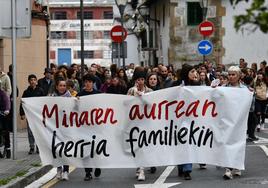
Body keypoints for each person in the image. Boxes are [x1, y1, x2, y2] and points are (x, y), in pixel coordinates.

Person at [127, 71, 153, 181]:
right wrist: (134, 97)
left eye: (142, 79)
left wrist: (145, 98)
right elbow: (125, 104)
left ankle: (142, 168)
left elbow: (153, 105)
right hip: (134, 121)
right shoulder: (131, 90)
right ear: (135, 80)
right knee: (137, 146)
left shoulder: (150, 91)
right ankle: (139, 167)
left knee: (144, 145)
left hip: (146, 122)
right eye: (138, 80)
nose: (140, 82)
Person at [76, 74, 102, 181]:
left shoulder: (98, 94)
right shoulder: (80, 95)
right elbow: (74, 111)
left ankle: (98, 165)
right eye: (86, 82)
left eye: (90, 82)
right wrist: (76, 102)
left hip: (96, 127)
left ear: (93, 83)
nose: (88, 84)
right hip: (84, 127)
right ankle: (88, 172)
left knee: (96, 149)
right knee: (85, 149)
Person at [177, 64, 201, 180]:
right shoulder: (176, 84)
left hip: (191, 119)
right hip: (178, 119)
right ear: (186, 73)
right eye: (192, 71)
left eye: (195, 71)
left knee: (188, 143)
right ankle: (181, 165)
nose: (194, 73)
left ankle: (187, 169)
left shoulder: (196, 84)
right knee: (180, 143)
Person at [223, 66, 246, 180]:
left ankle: (237, 166)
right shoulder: (222, 88)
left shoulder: (245, 89)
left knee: (238, 143)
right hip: (226, 122)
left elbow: (249, 108)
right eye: (229, 74)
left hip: (239, 122)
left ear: (239, 76)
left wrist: (250, 95)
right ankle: (228, 169)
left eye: (233, 74)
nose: (231, 77)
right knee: (227, 144)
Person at [51, 77, 71, 180]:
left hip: (66, 128)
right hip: (55, 127)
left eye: (64, 85)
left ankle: (66, 171)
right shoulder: (52, 97)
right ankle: (59, 169)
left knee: (66, 149)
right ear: (57, 86)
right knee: (57, 149)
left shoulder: (70, 97)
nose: (62, 87)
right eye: (60, 85)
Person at [20, 74, 45, 154]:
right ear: (29, 81)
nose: (33, 81)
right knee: (30, 131)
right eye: (31, 80)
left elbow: (44, 102)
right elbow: (22, 103)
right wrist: (22, 113)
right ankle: (31, 146)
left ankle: (39, 147)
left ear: (36, 81)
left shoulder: (40, 90)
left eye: (34, 80)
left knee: (38, 131)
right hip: (29, 115)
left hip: (38, 115)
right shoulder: (26, 92)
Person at [0, 84, 10, 158]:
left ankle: (8, 147)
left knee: (6, 131)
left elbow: (7, 102)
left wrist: (7, 110)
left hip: (3, 114)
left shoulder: (3, 93)